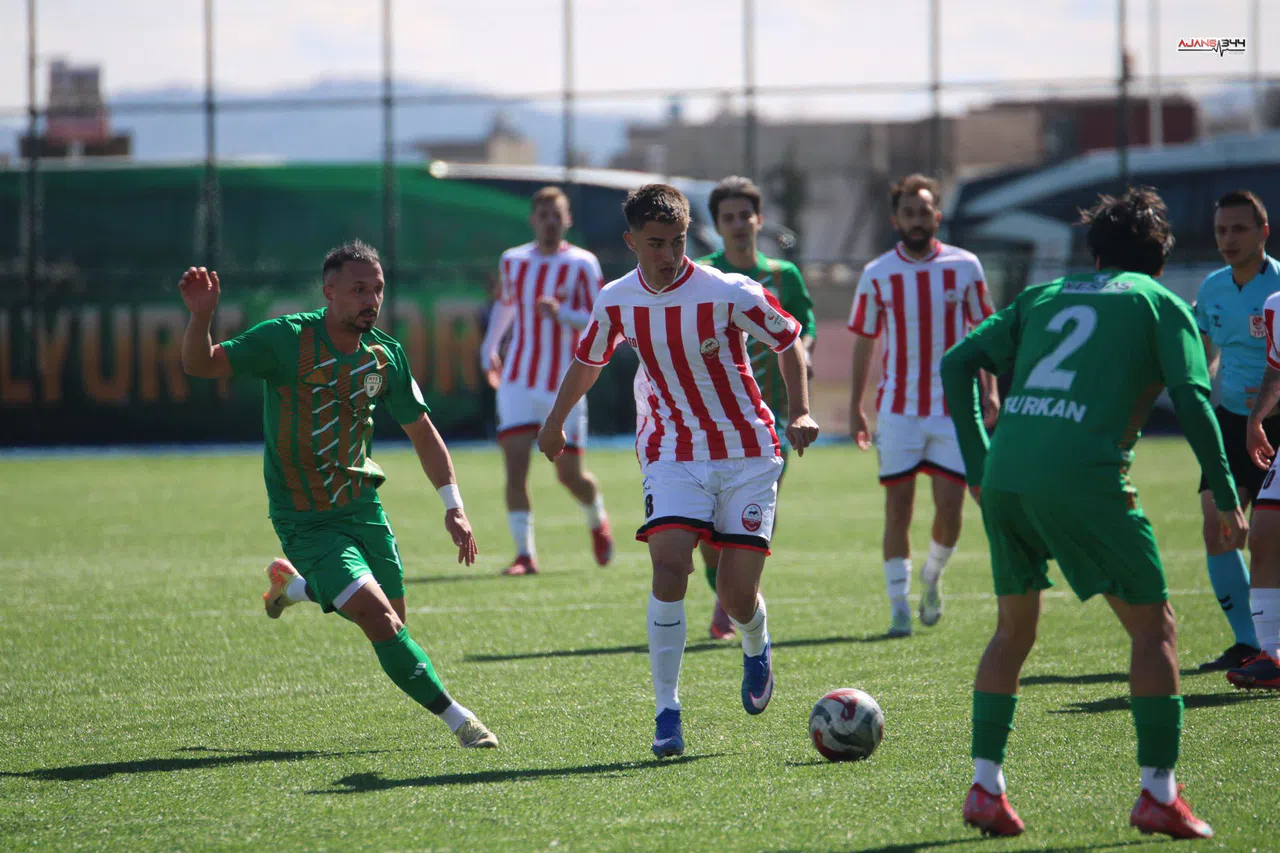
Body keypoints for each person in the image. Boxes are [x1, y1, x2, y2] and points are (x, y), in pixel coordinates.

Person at [941, 187, 1246, 840]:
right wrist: (1225, 493)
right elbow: (1194, 400)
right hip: (1082, 476)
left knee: (1013, 631)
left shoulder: (1045, 296)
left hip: (1009, 475)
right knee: (1154, 629)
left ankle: (985, 786)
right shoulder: (1160, 302)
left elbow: (958, 361)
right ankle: (1158, 792)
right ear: (1159, 256)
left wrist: (977, 463)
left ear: (1095, 251)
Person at [179, 241, 499, 749]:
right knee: (379, 619)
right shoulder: (286, 339)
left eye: (376, 290)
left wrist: (453, 507)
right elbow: (203, 364)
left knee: (394, 619)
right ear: (328, 292)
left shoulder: (384, 355)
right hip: (305, 518)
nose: (370, 299)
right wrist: (202, 318)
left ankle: (293, 586)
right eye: (357, 289)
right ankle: (460, 721)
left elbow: (423, 433)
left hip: (363, 506)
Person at [537, 184, 819, 757]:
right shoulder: (616, 299)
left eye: (678, 242)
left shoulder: (727, 290)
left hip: (746, 451)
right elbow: (588, 361)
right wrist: (555, 419)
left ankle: (755, 639)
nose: (668, 255)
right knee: (669, 568)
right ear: (631, 241)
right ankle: (667, 711)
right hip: (671, 451)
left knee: (738, 595)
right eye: (656, 243)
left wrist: (803, 409)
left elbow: (789, 341)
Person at [848, 173, 999, 637]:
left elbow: (985, 333)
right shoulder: (878, 273)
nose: (917, 220)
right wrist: (857, 404)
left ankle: (932, 578)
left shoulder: (965, 266)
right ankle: (898, 606)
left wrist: (991, 389)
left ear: (936, 216)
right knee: (898, 508)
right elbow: (864, 341)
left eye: (924, 211)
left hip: (954, 409)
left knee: (951, 509)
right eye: (908, 212)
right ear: (896, 220)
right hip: (899, 410)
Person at [693, 176, 817, 641]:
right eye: (729, 217)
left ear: (759, 220)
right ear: (718, 225)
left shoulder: (785, 275)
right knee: (705, 526)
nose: (739, 224)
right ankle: (723, 593)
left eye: (746, 215)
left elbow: (802, 328)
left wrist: (804, 356)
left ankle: (736, 601)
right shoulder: (702, 272)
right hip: (711, 418)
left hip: (772, 418)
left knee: (753, 510)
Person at [480, 186, 614, 576]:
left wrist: (562, 315)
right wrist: (489, 348)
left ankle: (597, 519)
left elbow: (597, 320)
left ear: (567, 219)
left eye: (557, 215)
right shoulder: (513, 261)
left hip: (565, 384)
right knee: (516, 466)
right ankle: (525, 554)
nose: (550, 222)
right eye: (543, 215)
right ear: (532, 220)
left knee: (569, 476)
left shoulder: (584, 264)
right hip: (518, 378)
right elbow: (506, 306)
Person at [1191, 190, 1279, 670]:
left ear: (1263, 232)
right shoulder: (1212, 287)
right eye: (1222, 229)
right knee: (1217, 527)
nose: (1228, 238)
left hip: (1275, 426)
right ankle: (1249, 643)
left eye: (1239, 229)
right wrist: (1194, 392)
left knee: (1271, 536)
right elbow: (1204, 354)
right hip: (1229, 422)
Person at [1228, 285, 1280, 690]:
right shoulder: (1276, 306)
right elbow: (1277, 369)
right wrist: (1256, 419)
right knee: (1264, 534)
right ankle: (1273, 653)